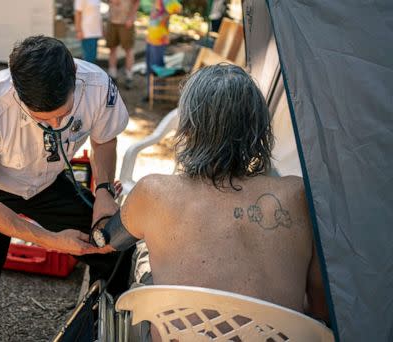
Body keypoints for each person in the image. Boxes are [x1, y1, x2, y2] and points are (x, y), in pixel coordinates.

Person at [0, 35, 133, 341]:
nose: (56, 126)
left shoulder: (97, 86)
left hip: (45, 181)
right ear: (17, 93)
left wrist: (104, 192)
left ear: (74, 78)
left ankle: (98, 326)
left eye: (63, 115)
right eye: (44, 119)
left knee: (114, 247)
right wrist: (51, 240)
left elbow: (104, 138)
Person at [106, 65, 330, 324]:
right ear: (258, 128)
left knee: (143, 258)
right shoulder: (298, 194)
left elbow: (110, 240)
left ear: (188, 128)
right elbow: (321, 307)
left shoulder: (153, 192)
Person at [145, 0, 182, 97]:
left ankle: (157, 93)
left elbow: (178, 8)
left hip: (159, 39)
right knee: (150, 66)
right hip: (151, 38)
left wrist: (165, 16)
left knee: (157, 67)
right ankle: (151, 92)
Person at [105, 0, 140, 89]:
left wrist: (131, 17)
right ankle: (112, 75)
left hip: (126, 22)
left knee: (128, 50)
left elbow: (136, 2)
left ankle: (129, 77)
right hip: (112, 20)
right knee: (112, 49)